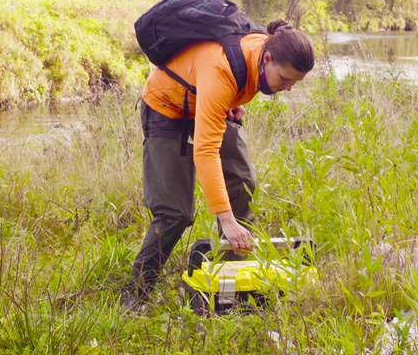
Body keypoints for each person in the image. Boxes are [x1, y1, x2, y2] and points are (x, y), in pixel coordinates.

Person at [124, 18, 315, 311]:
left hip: (206, 99)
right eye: (285, 79)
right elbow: (206, 151)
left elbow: (235, 79)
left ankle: (229, 287)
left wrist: (231, 101)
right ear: (267, 58)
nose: (287, 88)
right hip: (166, 105)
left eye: (294, 83)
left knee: (243, 183)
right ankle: (136, 295)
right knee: (175, 212)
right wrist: (226, 220)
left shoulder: (264, 49)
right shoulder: (221, 71)